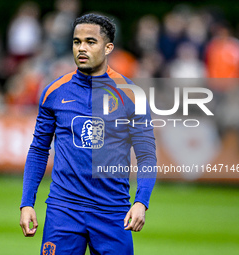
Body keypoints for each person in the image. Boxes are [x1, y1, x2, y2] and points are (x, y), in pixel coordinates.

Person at [20, 13, 157, 255]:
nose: (82, 48)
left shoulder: (132, 95)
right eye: (77, 41)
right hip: (63, 210)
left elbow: (146, 155)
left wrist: (141, 202)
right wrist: (27, 203)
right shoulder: (54, 91)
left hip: (112, 211)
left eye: (90, 42)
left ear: (108, 47)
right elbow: (39, 149)